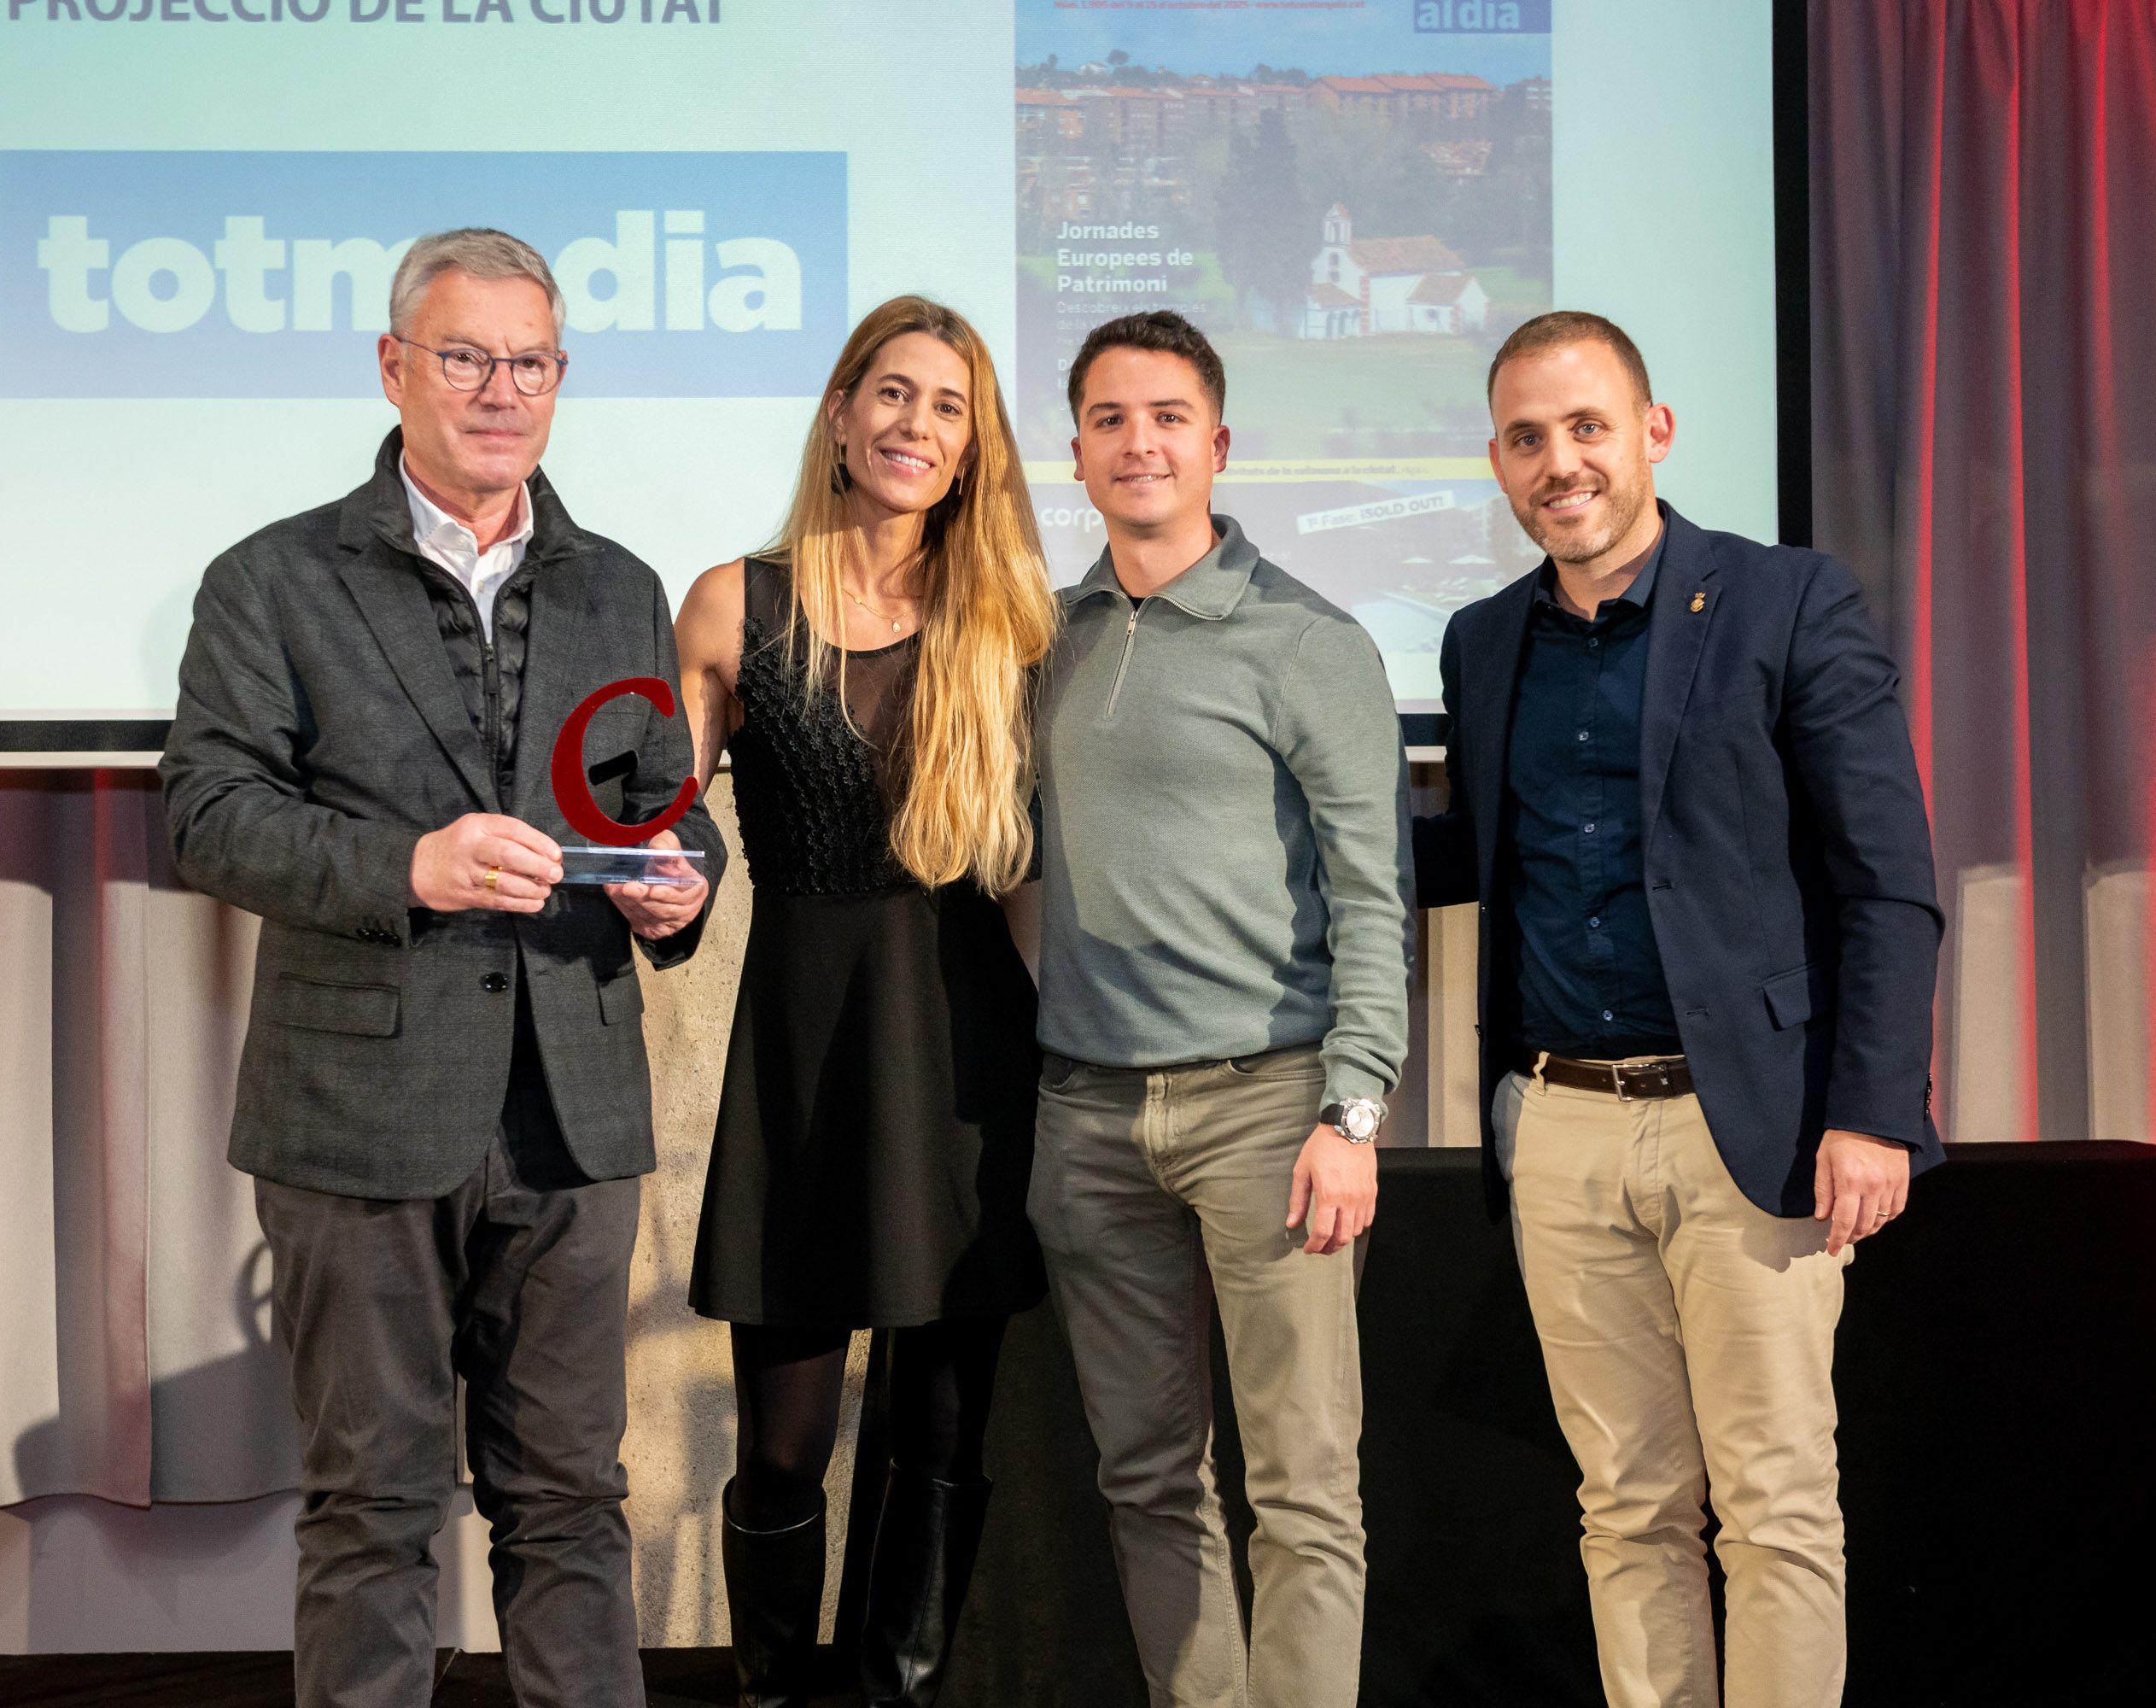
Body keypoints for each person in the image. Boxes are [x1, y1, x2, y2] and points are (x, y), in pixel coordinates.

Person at [160, 227, 723, 1708]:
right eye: (466, 357)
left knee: (570, 1504)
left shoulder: (617, 584)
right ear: (394, 366)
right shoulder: (274, 579)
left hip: (571, 1114)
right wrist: (406, 868)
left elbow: (668, 805)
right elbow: (209, 817)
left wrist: (682, 883)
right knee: (373, 1509)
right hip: (357, 1118)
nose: (500, 390)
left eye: (529, 362)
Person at [1414, 309, 1942, 1708]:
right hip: (1562, 1129)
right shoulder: (1478, 642)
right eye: (1527, 439)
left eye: (1587, 427)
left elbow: (1886, 880)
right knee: (1626, 1510)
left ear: (1652, 433)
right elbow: (1473, 851)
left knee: (1775, 1510)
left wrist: (1873, 1110)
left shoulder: (1785, 600)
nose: (1559, 463)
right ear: (1496, 461)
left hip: (1750, 1129)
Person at [1026, 309, 1414, 1708]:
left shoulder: (1310, 643)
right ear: (1075, 451)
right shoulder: (1045, 644)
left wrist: (1352, 1107)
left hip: (1272, 1109)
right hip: (1085, 1115)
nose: (1141, 444)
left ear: (1220, 444)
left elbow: (1377, 896)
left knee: (1304, 1483)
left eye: (1169, 417)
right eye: (1112, 420)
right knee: (1144, 1479)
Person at [675, 296, 1056, 1708]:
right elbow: (673, 826)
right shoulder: (735, 601)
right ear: (841, 414)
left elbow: (1027, 880)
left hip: (965, 1067)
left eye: (948, 408)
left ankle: (894, 1695)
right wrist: (661, 885)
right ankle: (777, 1691)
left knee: (941, 1438)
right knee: (782, 1444)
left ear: (973, 450)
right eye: (892, 395)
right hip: (800, 1065)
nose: (915, 425)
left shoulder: (1006, 623)